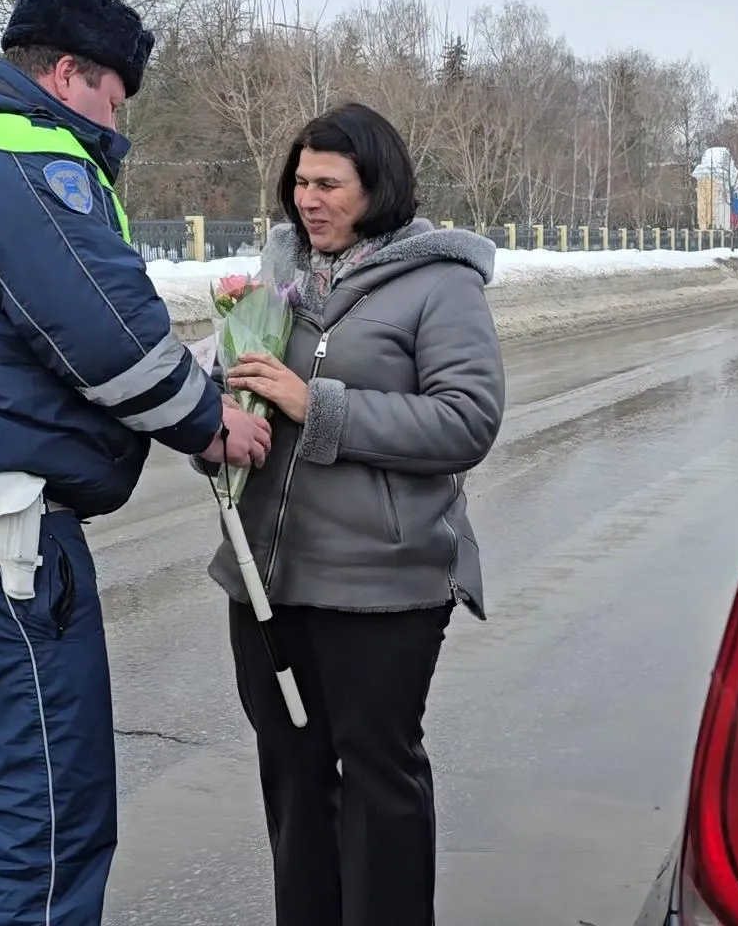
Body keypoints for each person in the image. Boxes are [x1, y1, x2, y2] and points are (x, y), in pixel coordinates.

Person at [0, 0, 274, 926]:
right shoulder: (14, 152)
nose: (117, 125)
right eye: (115, 99)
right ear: (69, 72)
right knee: (46, 816)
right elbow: (103, 333)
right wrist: (212, 424)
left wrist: (185, 375)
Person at [206, 102, 506, 925]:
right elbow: (231, 388)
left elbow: (466, 421)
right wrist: (214, 427)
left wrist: (318, 405)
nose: (310, 198)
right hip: (268, 580)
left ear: (376, 187)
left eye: (330, 183)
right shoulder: (274, 278)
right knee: (294, 780)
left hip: (384, 585)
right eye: (300, 181)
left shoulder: (438, 283)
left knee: (379, 781)